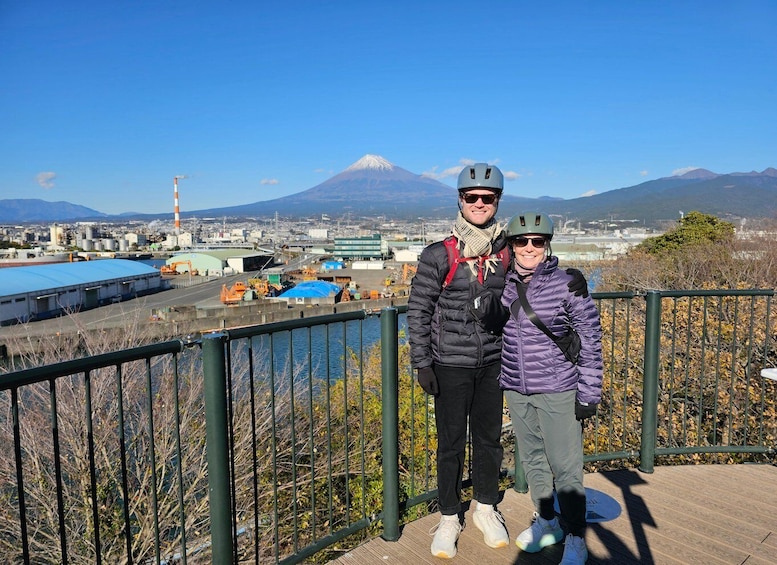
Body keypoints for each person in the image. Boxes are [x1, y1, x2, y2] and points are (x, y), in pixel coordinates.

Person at [407, 165, 588, 559]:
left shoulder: (505, 250)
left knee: (488, 441)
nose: (479, 203)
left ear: (497, 202)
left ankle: (486, 508)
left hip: (494, 363)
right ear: (460, 200)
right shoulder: (439, 253)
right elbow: (418, 310)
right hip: (450, 364)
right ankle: (450, 517)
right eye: (471, 197)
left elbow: (536, 267)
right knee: (450, 445)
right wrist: (422, 362)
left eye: (487, 198)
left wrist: (573, 277)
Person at [498, 211, 603, 565]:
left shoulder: (566, 284)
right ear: (511, 246)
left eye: (537, 241)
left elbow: (590, 339)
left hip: (558, 388)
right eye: (521, 241)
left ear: (547, 245)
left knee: (566, 465)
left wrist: (589, 392)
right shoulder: (506, 284)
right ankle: (547, 522)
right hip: (516, 387)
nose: (529, 247)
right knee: (533, 460)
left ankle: (576, 536)